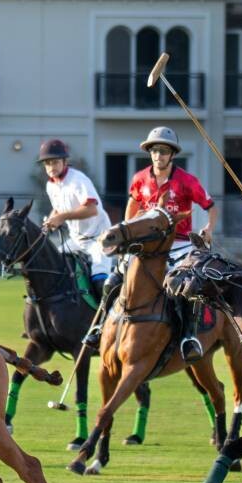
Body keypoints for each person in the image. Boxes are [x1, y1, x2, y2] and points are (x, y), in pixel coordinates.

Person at [85, 126, 217, 361]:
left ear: (172, 154)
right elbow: (133, 206)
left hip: (180, 244)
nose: (159, 156)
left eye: (164, 151)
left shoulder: (187, 181)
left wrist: (208, 228)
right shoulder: (139, 179)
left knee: (184, 287)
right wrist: (127, 231)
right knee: (113, 280)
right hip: (147, 244)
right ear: (150, 153)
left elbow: (210, 207)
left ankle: (188, 337)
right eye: (155, 151)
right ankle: (100, 327)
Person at [38, 139, 114, 298]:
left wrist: (62, 217)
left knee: (100, 281)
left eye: (55, 162)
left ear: (65, 161)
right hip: (76, 241)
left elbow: (92, 209)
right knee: (54, 266)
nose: (51, 167)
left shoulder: (78, 180)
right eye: (47, 163)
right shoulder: (50, 185)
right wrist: (49, 223)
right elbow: (58, 208)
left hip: (100, 239)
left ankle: (108, 317)